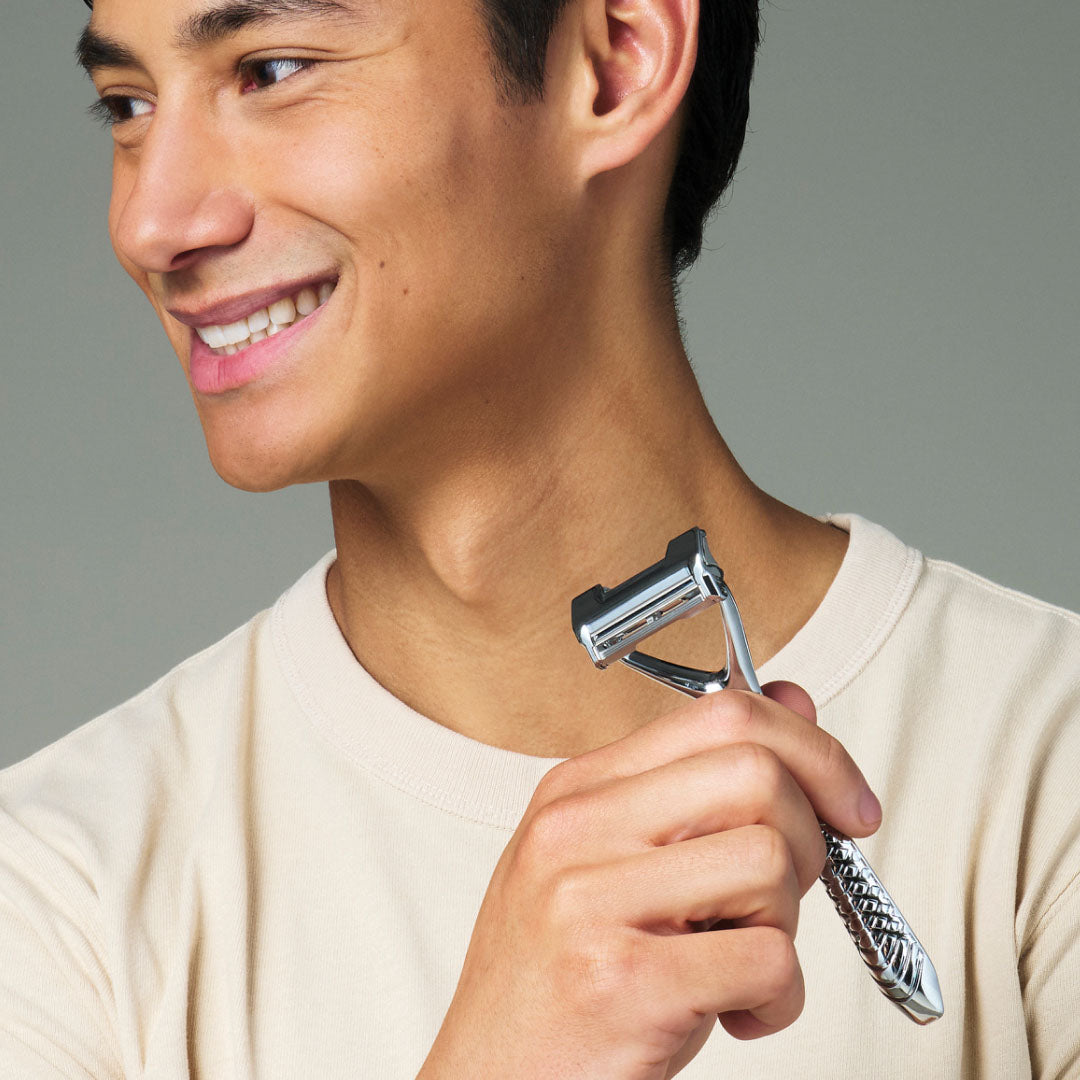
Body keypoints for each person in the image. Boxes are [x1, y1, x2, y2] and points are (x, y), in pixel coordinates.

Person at [1, 0, 1076, 1076]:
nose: (153, 221)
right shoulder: (52, 897)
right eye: (128, 105)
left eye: (272, 71)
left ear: (616, 65)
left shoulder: (1046, 771)